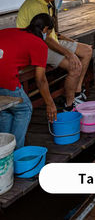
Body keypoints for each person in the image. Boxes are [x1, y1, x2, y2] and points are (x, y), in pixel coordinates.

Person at [17, 0, 92, 111]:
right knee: (75, 66)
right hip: (37, 46)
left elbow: (49, 34)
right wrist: (69, 54)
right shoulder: (35, 5)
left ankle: (77, 90)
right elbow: (46, 39)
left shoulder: (46, 0)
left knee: (87, 50)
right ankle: (69, 104)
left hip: (50, 40)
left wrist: (64, 39)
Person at [0, 14, 57, 148]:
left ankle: (4, 151)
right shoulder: (39, 44)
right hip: (6, 80)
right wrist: (50, 103)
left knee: (5, 111)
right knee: (24, 109)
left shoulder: (11, 31)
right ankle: (16, 151)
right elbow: (41, 79)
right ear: (45, 29)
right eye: (48, 32)